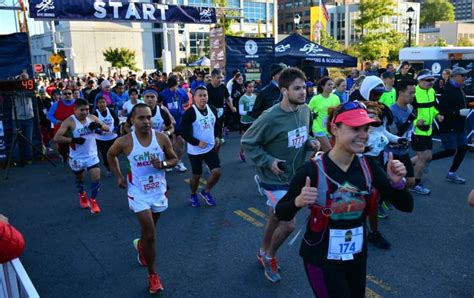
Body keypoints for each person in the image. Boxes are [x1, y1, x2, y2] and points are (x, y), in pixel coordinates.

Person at [275, 101, 413, 297]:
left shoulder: (369, 167)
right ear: (334, 128)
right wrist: (298, 202)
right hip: (321, 258)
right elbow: (281, 212)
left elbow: (407, 206)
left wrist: (397, 183)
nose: (364, 135)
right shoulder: (312, 170)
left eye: (366, 128)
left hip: (356, 257)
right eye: (355, 128)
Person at [241, 68, 320, 283]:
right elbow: (247, 142)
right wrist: (269, 161)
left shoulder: (304, 110)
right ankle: (269, 256)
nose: (303, 92)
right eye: (297, 88)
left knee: (275, 216)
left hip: (296, 175)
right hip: (274, 178)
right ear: (284, 91)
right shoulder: (270, 117)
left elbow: (304, 134)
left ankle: (262, 250)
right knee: (288, 222)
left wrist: (310, 142)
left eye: (304, 87)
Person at [107, 103, 178, 293]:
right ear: (132, 120)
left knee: (149, 232)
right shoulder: (125, 142)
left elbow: (174, 160)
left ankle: (141, 245)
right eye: (142, 118)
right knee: (151, 235)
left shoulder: (161, 138)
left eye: (149, 117)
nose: (147, 121)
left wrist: (162, 163)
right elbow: (110, 154)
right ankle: (153, 275)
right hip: (138, 192)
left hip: (158, 191)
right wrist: (119, 176)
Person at [54, 99, 109, 214]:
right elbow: (57, 138)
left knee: (96, 176)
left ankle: (93, 201)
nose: (85, 112)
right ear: (75, 110)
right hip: (76, 157)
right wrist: (73, 139)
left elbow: (106, 128)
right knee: (79, 178)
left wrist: (98, 125)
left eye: (87, 110)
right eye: (82, 110)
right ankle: (82, 194)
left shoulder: (92, 118)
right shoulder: (69, 121)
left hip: (92, 155)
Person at [180, 86, 222, 207]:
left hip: (210, 148)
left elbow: (217, 124)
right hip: (195, 150)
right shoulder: (190, 113)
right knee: (196, 176)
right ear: (194, 98)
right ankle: (193, 194)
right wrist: (196, 142)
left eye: (205, 95)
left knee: (217, 172)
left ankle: (206, 191)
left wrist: (217, 136)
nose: (203, 98)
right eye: (200, 95)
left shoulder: (212, 109)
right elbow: (183, 132)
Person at [431, 67, 471, 184]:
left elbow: (460, 103)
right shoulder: (448, 90)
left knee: (463, 148)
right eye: (463, 75)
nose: (465, 78)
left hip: (460, 126)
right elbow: (442, 109)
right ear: (455, 76)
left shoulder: (460, 88)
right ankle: (426, 160)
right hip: (449, 127)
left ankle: (451, 173)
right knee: (450, 150)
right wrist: (457, 112)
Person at [410, 70, 444, 195]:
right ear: (420, 80)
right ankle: (415, 184)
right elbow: (407, 112)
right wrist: (416, 122)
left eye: (432, 80)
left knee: (428, 157)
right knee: (423, 158)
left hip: (428, 129)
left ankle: (406, 165)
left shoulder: (432, 91)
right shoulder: (413, 93)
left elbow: (432, 108)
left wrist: (437, 115)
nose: (431, 82)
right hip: (417, 130)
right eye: (428, 80)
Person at [159, 76, 189, 172]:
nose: (175, 89)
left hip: (180, 120)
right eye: (173, 87)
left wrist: (180, 107)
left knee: (181, 142)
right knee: (170, 143)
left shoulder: (181, 91)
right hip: (168, 122)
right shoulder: (163, 94)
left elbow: (187, 102)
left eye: (176, 86)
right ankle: (169, 161)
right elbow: (160, 106)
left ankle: (179, 161)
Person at [206, 68, 236, 148]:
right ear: (212, 77)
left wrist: (232, 107)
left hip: (220, 112)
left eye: (221, 77)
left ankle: (216, 155)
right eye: (218, 78)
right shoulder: (207, 88)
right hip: (209, 114)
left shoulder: (223, 87)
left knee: (218, 135)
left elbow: (227, 98)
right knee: (211, 135)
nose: (220, 80)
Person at [309, 77, 340, 152]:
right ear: (322, 86)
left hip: (330, 128)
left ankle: (316, 161)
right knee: (328, 150)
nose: (331, 86)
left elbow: (338, 112)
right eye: (328, 85)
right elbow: (308, 111)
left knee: (323, 150)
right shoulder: (315, 99)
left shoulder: (335, 98)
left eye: (332, 85)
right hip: (318, 127)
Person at [48, 87, 77, 164]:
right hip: (60, 129)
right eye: (65, 94)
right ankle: (64, 157)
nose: (67, 95)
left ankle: (74, 158)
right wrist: (55, 121)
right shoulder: (56, 104)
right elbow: (49, 115)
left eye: (69, 93)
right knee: (62, 146)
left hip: (73, 128)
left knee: (74, 144)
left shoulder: (77, 103)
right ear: (62, 95)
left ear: (72, 95)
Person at [93, 97, 119, 177]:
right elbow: (91, 126)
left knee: (115, 154)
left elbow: (117, 120)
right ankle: (108, 169)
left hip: (112, 137)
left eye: (103, 102)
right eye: (100, 102)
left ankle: (116, 168)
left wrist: (116, 128)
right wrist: (99, 131)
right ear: (97, 104)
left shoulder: (110, 111)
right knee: (105, 155)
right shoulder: (95, 113)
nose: (102, 104)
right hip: (101, 139)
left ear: (106, 103)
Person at [238, 80, 256, 162]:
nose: (251, 88)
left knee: (255, 139)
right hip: (245, 122)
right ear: (245, 88)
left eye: (252, 87)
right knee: (244, 140)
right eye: (249, 87)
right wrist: (249, 112)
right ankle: (242, 152)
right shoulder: (242, 98)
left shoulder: (255, 96)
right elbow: (241, 111)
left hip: (254, 121)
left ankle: (255, 156)